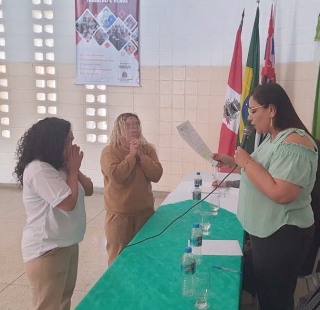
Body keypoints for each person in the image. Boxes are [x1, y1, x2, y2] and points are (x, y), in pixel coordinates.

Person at [213, 83, 318, 310]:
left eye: (253, 111)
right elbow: (262, 175)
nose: (249, 118)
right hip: (268, 232)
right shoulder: (274, 138)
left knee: (276, 299)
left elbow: (281, 193)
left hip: (283, 235)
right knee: (267, 294)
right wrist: (234, 163)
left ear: (271, 110)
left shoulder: (296, 142)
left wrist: (247, 161)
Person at [13, 117, 93, 310]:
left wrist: (74, 169)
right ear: (54, 141)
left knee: (64, 301)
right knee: (48, 305)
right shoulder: (39, 169)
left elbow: (89, 189)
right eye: (68, 141)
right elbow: (67, 203)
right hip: (48, 249)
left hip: (68, 244)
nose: (73, 145)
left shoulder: (60, 166)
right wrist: (72, 170)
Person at [100, 113, 163, 266]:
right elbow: (117, 176)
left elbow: (156, 175)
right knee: (119, 258)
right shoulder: (110, 152)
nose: (134, 128)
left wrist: (141, 155)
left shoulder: (147, 149)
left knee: (144, 254)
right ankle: (117, 287)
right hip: (120, 216)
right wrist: (131, 156)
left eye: (136, 124)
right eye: (129, 125)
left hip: (145, 212)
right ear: (119, 128)